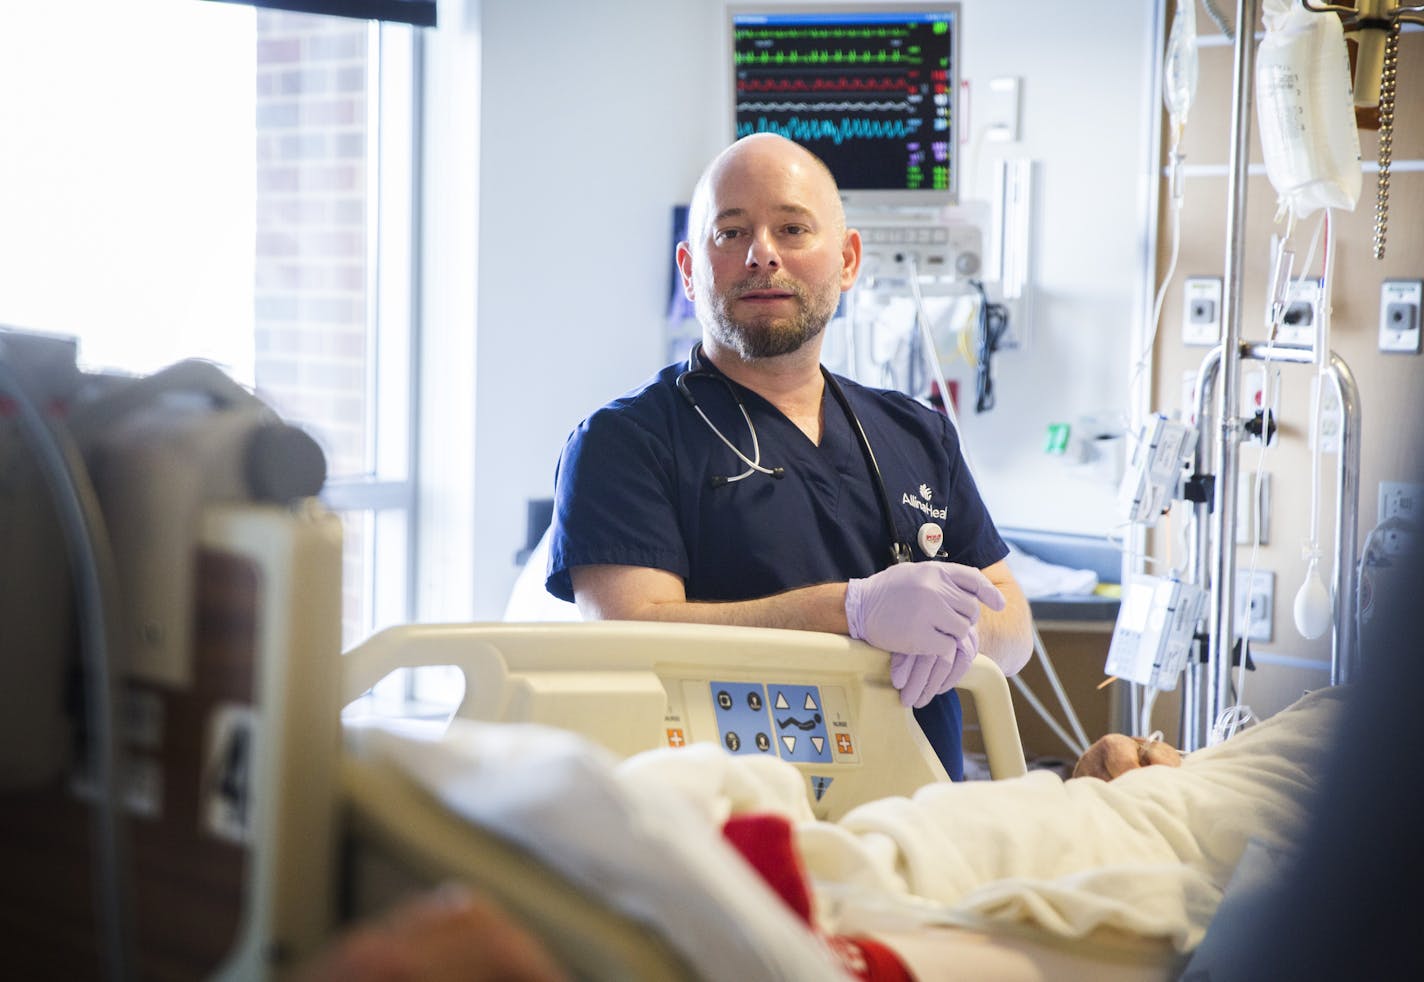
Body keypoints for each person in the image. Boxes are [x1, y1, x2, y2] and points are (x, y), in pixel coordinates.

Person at [547, 133, 1032, 779]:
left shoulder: (917, 432)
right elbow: (634, 635)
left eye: (793, 228)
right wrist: (852, 612)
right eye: (731, 232)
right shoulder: (624, 443)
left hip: (921, 822)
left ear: (849, 259)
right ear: (690, 270)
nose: (762, 255)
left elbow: (1015, 621)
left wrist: (964, 632)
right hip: (726, 821)